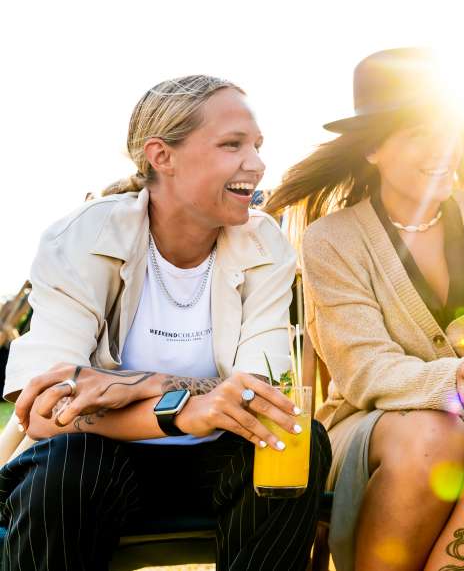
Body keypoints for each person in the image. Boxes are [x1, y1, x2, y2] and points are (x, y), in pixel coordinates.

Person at [265, 48, 464, 571]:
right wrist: (451, 387)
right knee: (432, 434)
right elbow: (362, 367)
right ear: (372, 147)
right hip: (373, 430)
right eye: (420, 134)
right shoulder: (332, 239)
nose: (443, 150)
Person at [0, 75, 330, 571]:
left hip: (217, 462)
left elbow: (263, 395)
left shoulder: (265, 245)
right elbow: (45, 411)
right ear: (162, 156)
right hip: (102, 462)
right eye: (232, 144)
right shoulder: (82, 236)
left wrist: (135, 387)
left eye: (257, 146)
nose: (257, 164)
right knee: (68, 465)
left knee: (294, 437)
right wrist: (178, 407)